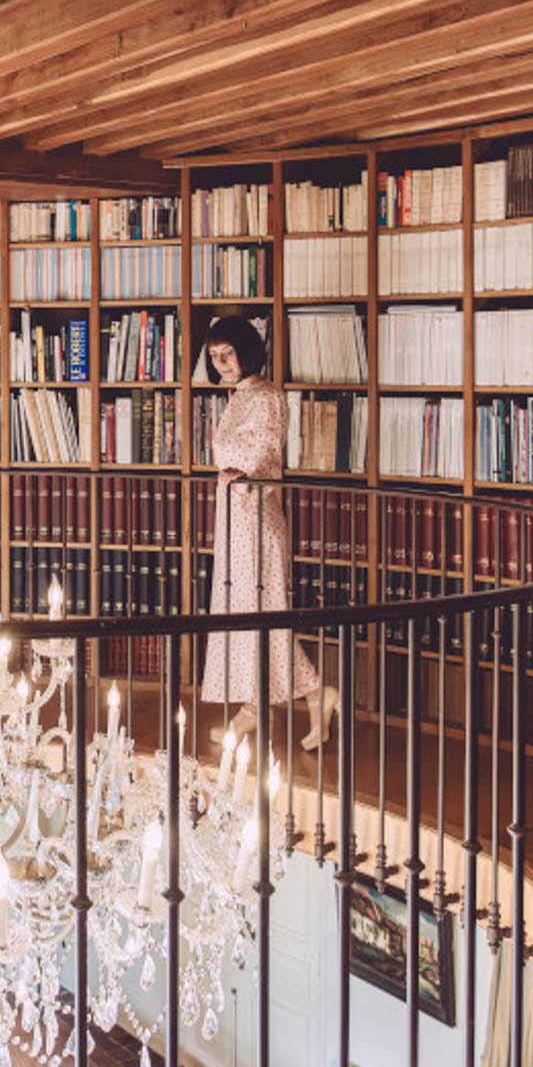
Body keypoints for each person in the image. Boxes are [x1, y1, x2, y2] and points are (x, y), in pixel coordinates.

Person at [198, 316, 338, 749]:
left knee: (264, 617)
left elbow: (257, 453)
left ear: (248, 352)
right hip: (235, 521)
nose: (222, 363)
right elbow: (229, 456)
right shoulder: (238, 397)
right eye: (215, 356)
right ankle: (257, 707)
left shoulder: (268, 395)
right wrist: (225, 458)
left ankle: (314, 693)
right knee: (241, 619)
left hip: (256, 523)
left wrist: (222, 454)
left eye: (229, 353)